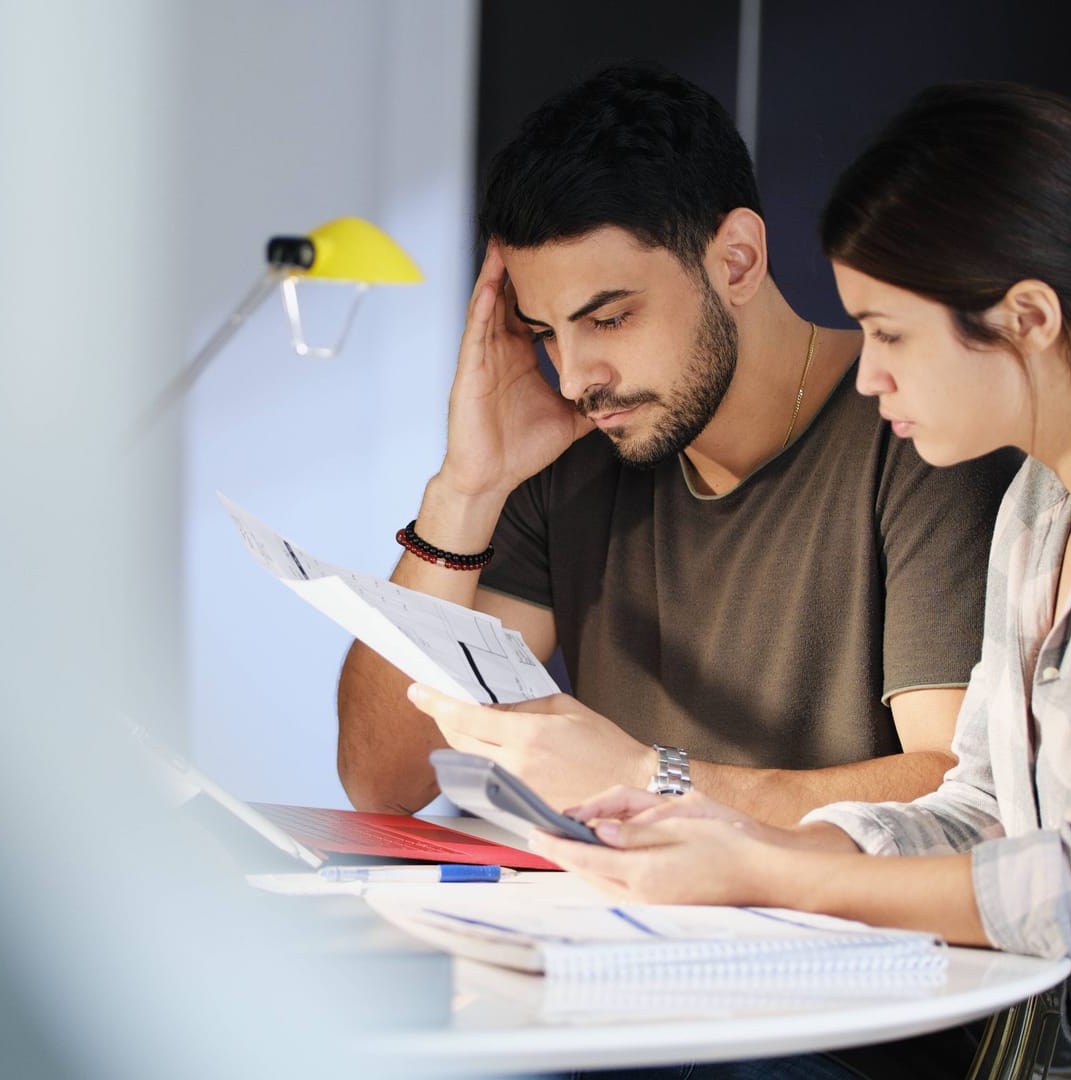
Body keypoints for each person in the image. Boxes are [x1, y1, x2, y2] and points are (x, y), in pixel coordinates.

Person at [497, 82, 1071, 1078]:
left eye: (891, 333)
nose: (869, 375)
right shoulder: (1042, 504)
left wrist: (774, 873)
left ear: (1025, 318)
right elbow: (981, 809)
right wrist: (726, 840)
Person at [336, 64, 1019, 825]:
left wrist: (647, 777)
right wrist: (464, 491)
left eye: (609, 318)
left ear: (736, 261)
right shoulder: (573, 444)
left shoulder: (918, 427)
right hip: (617, 930)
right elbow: (385, 782)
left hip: (836, 937)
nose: (573, 379)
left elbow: (955, 790)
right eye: (543, 334)